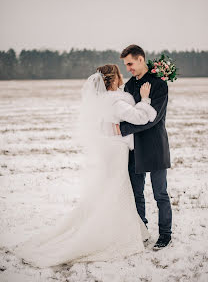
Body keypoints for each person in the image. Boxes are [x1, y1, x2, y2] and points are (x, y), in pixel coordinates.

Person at [1, 64, 157, 268]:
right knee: (116, 189)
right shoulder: (116, 101)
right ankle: (112, 232)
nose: (122, 77)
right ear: (113, 79)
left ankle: (117, 226)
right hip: (116, 150)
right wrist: (145, 100)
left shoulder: (101, 101)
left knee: (109, 189)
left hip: (106, 149)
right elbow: (141, 117)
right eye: (120, 74)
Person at [118, 45, 172, 250]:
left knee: (160, 194)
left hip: (156, 145)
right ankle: (142, 232)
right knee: (136, 194)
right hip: (136, 147)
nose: (128, 68)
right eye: (126, 65)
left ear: (141, 59)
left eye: (130, 64)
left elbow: (153, 119)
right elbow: (128, 113)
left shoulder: (159, 84)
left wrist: (121, 129)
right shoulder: (129, 86)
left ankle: (165, 235)